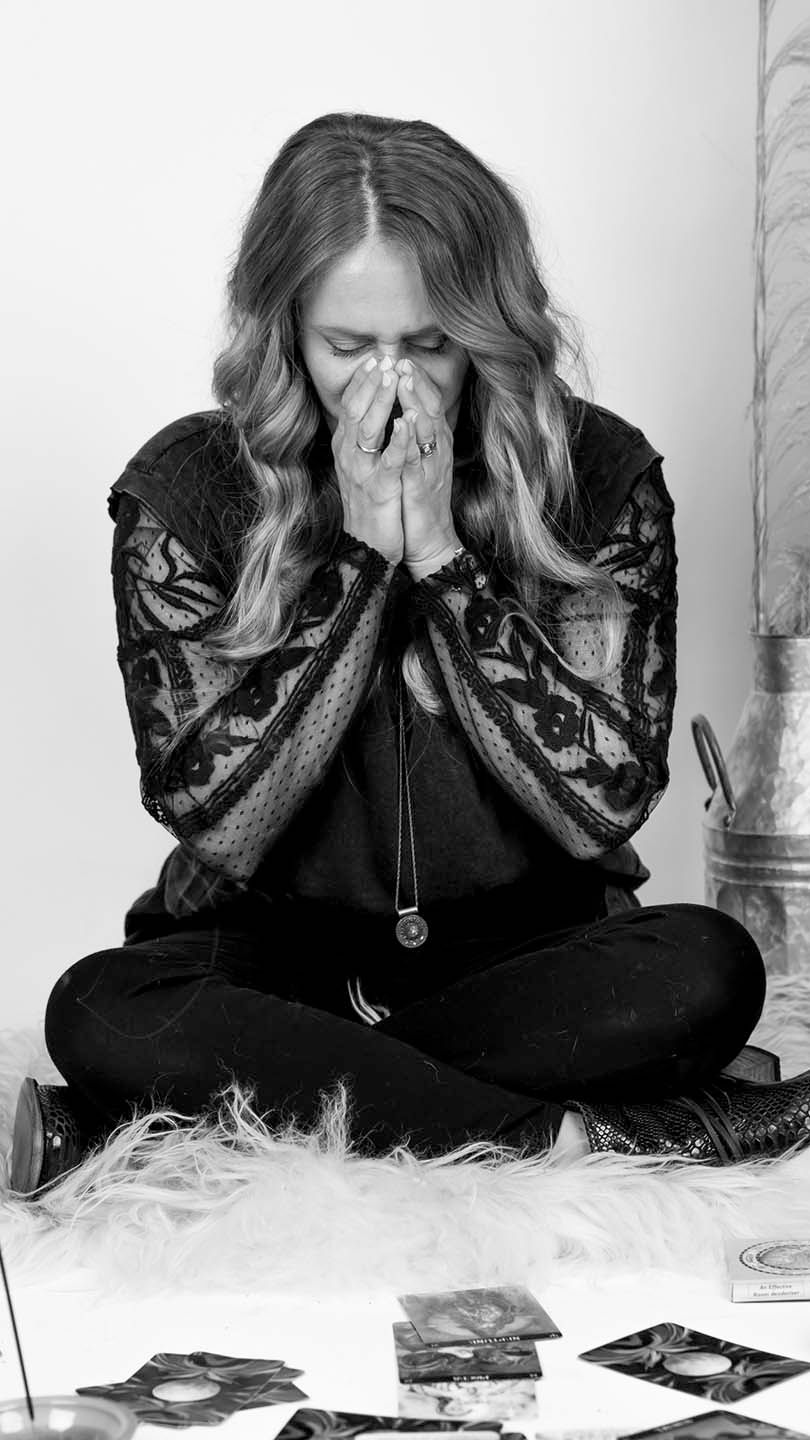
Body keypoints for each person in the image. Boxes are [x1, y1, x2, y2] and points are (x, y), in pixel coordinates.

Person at [13, 112, 810, 1198]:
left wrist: (437, 554)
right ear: (285, 328)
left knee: (711, 966)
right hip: (269, 962)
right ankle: (572, 1138)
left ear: (485, 327)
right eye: (348, 348)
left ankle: (186, 1120)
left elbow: (603, 804)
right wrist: (359, 555)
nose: (391, 384)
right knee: (99, 1008)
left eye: (431, 344)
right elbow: (218, 818)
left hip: (523, 959)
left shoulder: (597, 471)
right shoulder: (188, 486)